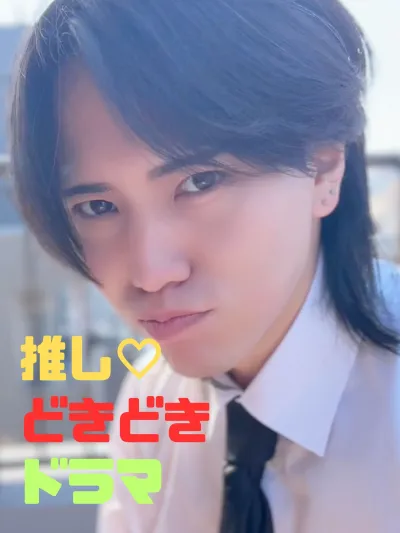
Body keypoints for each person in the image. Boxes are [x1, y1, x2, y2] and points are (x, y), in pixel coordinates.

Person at [9, 0, 400, 532]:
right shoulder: (153, 400)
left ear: (322, 168)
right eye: (97, 207)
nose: (150, 273)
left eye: (201, 181)